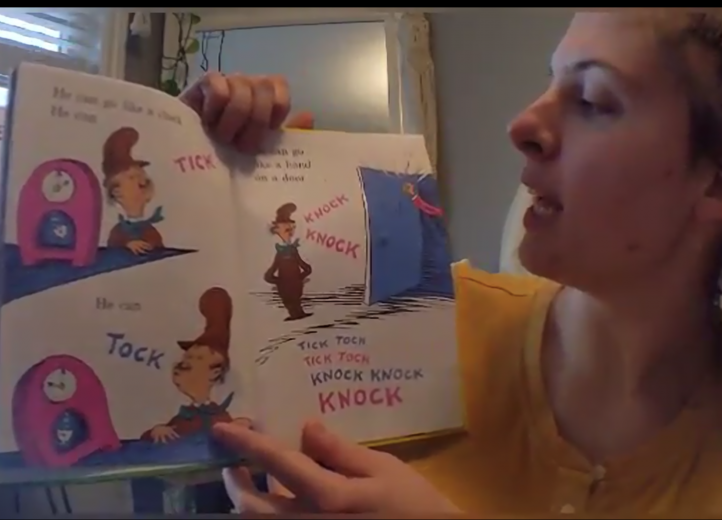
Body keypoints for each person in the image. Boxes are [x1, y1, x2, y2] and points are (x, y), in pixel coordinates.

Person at [180, 9, 722, 516]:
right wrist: (185, 168)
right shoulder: (416, 320)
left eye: (593, 100)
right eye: (551, 82)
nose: (522, 125)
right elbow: (190, 368)